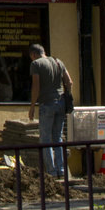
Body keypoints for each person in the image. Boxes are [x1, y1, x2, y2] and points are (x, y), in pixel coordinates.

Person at [28, 42, 72, 177]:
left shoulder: (36, 64)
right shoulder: (58, 61)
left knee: (45, 139)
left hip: (47, 104)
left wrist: (32, 106)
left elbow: (36, 86)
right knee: (58, 138)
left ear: (33, 54)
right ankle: (61, 170)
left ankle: (51, 172)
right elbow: (69, 82)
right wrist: (67, 96)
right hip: (61, 103)